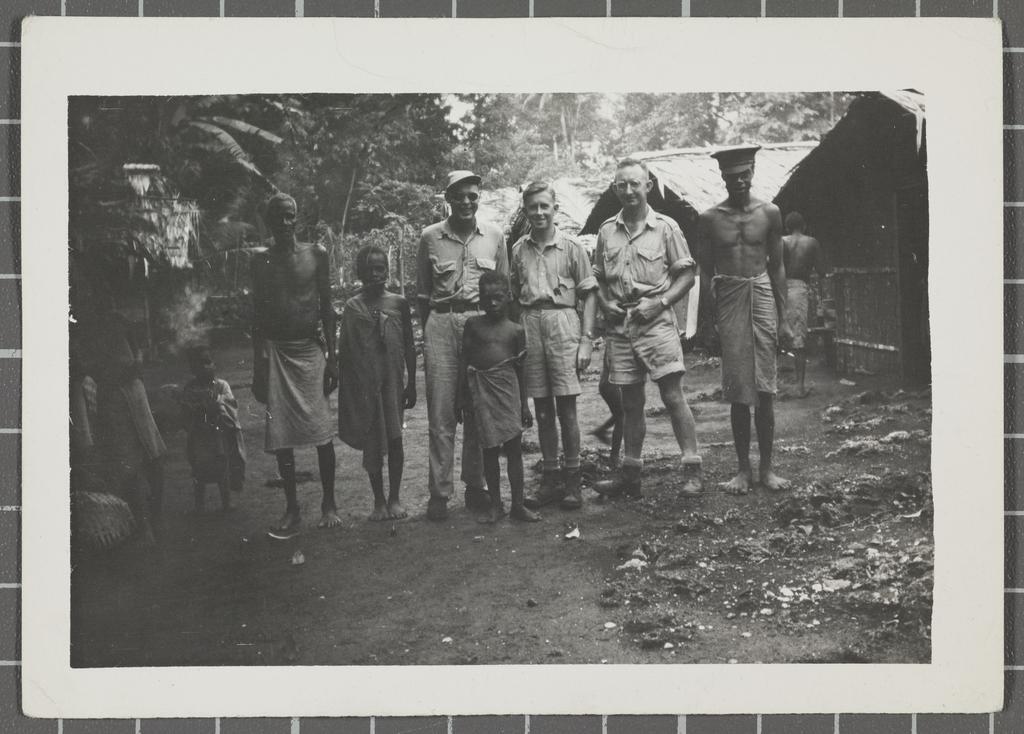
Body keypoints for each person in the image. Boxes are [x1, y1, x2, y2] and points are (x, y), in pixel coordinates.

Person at [591, 158, 703, 500]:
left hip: (657, 323)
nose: (628, 191)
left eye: (635, 184)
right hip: (620, 327)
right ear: (614, 189)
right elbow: (596, 278)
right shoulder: (606, 231)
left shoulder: (666, 228)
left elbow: (686, 274)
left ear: (648, 186)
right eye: (622, 185)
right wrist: (605, 302)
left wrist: (661, 302)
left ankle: (693, 470)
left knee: (672, 396)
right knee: (631, 404)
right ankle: (631, 476)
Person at [696, 145, 793, 495]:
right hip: (730, 297)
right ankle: (742, 470)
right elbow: (706, 271)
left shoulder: (770, 213)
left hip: (762, 294)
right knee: (738, 389)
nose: (738, 181)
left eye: (744, 174)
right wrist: (707, 321)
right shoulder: (709, 219)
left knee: (765, 388)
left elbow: (778, 265)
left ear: (752, 171)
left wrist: (784, 318)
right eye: (731, 176)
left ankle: (767, 469)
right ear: (722, 177)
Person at [416, 171, 509, 521]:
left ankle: (475, 485)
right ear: (448, 199)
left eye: (472, 195)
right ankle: (439, 492)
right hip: (441, 322)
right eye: (459, 196)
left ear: (479, 197)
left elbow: (503, 287)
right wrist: (430, 331)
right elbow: (423, 294)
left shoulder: (495, 236)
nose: (467, 202)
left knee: (476, 408)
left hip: (480, 325)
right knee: (441, 411)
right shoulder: (430, 237)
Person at [252, 192, 340, 537]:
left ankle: (329, 501)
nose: (285, 223)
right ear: (269, 222)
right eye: (278, 217)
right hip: (277, 353)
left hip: (309, 350)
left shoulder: (316, 254)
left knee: (322, 432)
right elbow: (257, 316)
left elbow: (328, 306)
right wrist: (259, 367)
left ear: (297, 218)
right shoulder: (261, 262)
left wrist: (333, 357)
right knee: (282, 435)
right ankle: (292, 506)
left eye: (290, 216)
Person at [509, 182, 598, 511]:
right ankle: (549, 478)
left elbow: (589, 295)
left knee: (567, 408)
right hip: (531, 324)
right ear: (526, 211)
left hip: (564, 325)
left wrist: (586, 341)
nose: (539, 212)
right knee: (542, 408)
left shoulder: (572, 247)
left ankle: (573, 480)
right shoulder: (518, 249)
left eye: (544, 206)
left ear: (555, 207)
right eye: (533, 207)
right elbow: (512, 295)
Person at [77, 292, 166, 545]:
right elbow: (88, 366)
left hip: (132, 392)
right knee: (129, 461)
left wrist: (134, 366)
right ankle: (144, 525)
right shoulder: (88, 329)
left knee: (153, 455)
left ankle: (153, 520)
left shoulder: (119, 321)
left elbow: (137, 353)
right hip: (113, 395)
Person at [338, 244, 416, 522]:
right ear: (360, 272)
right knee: (373, 441)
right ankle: (379, 501)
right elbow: (345, 352)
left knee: (395, 439)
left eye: (380, 268)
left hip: (393, 384)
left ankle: (394, 498)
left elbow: (408, 345)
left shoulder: (399, 303)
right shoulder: (352, 307)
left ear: (388, 270)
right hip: (366, 387)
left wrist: (412, 385)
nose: (375, 274)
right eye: (369, 269)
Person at [458, 271, 541, 524]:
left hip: (508, 393)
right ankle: (496, 504)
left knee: (514, 450)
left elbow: (520, 370)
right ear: (479, 300)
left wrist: (524, 405)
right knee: (490, 451)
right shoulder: (473, 325)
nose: (492, 303)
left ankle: (518, 504)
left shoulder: (515, 331)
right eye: (487, 298)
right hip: (482, 393)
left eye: (498, 298)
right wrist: (461, 399)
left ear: (508, 297)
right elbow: (465, 361)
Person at [180, 346, 246, 514]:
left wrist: (216, 404)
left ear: (214, 364)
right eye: (200, 364)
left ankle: (226, 502)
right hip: (199, 436)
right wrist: (198, 407)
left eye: (208, 362)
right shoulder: (190, 388)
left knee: (222, 467)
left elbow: (229, 403)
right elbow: (186, 411)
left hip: (218, 434)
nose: (205, 367)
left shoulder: (222, 385)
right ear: (193, 368)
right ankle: (199, 505)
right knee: (198, 470)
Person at [781, 211, 823, 397]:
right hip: (798, 288)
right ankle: (799, 386)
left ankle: (769, 385)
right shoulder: (811, 242)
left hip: (778, 288)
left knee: (774, 336)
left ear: (787, 227)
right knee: (798, 338)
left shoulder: (781, 242)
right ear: (804, 226)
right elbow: (821, 270)